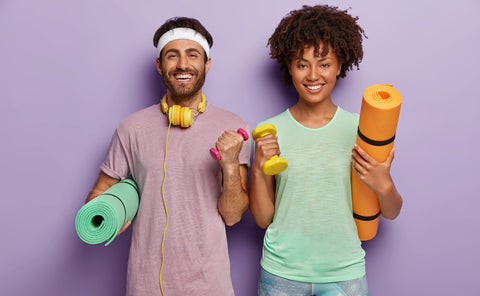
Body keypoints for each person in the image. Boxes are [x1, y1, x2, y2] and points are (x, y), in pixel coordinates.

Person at [85, 16, 251, 296]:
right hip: (145, 285)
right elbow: (100, 193)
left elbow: (233, 216)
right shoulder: (131, 128)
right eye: (172, 56)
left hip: (210, 285)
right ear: (160, 65)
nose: (183, 65)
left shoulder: (234, 128)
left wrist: (231, 165)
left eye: (193, 55)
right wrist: (104, 215)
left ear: (207, 64)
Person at [249, 5, 403, 296]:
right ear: (289, 67)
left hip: (344, 273)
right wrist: (258, 167)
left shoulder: (362, 130)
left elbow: (392, 212)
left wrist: (384, 184)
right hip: (281, 274)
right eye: (302, 64)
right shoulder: (269, 130)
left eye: (324, 63)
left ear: (339, 66)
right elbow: (262, 219)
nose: (313, 75)